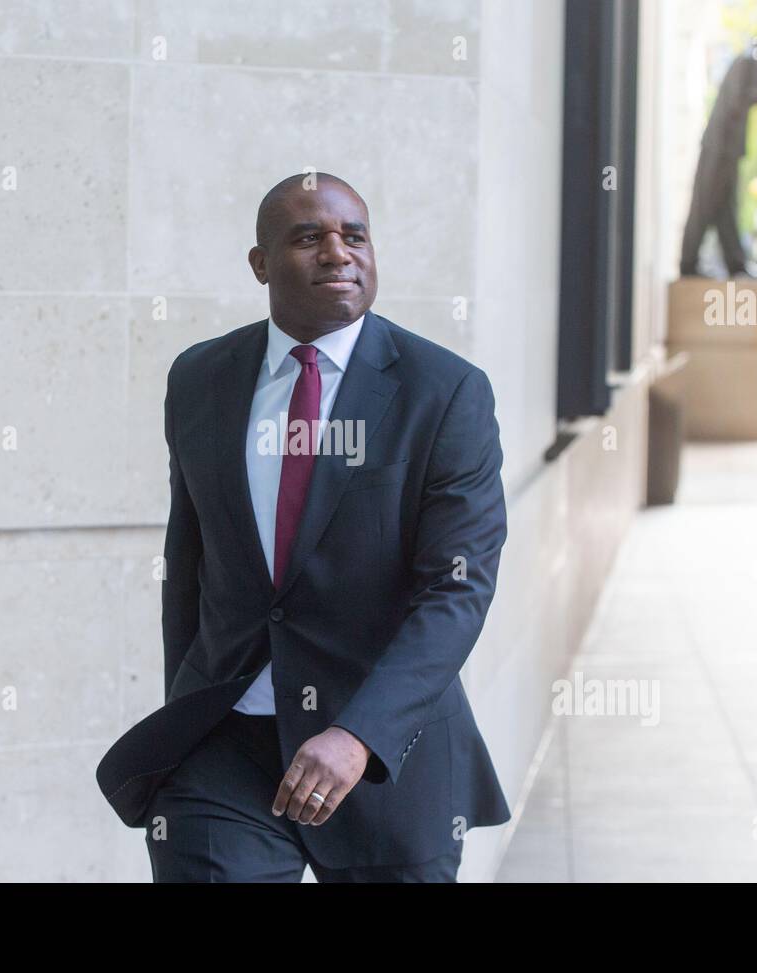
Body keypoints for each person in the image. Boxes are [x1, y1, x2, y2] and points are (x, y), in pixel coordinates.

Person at [96, 172, 511, 882]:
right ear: (260, 263)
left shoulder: (443, 392)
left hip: (388, 757)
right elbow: (189, 565)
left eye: (354, 235)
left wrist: (358, 734)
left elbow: (455, 591)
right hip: (226, 746)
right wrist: (185, 714)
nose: (337, 252)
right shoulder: (199, 378)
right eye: (308, 236)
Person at [680, 10, 757, 278]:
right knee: (706, 202)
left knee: (725, 205)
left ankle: (734, 263)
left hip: (726, 146)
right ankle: (689, 262)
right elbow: (739, 98)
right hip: (721, 145)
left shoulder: (756, 54)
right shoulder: (755, 56)